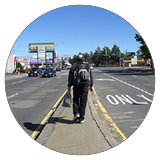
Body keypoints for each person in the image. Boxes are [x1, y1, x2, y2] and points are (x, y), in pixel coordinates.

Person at [68, 54, 93, 124]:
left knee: (75, 100)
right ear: (83, 59)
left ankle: (76, 114)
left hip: (76, 86)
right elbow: (90, 77)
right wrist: (91, 86)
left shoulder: (74, 66)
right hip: (85, 86)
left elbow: (70, 77)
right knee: (83, 102)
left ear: (77, 60)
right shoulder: (87, 67)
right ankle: (82, 118)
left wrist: (69, 85)